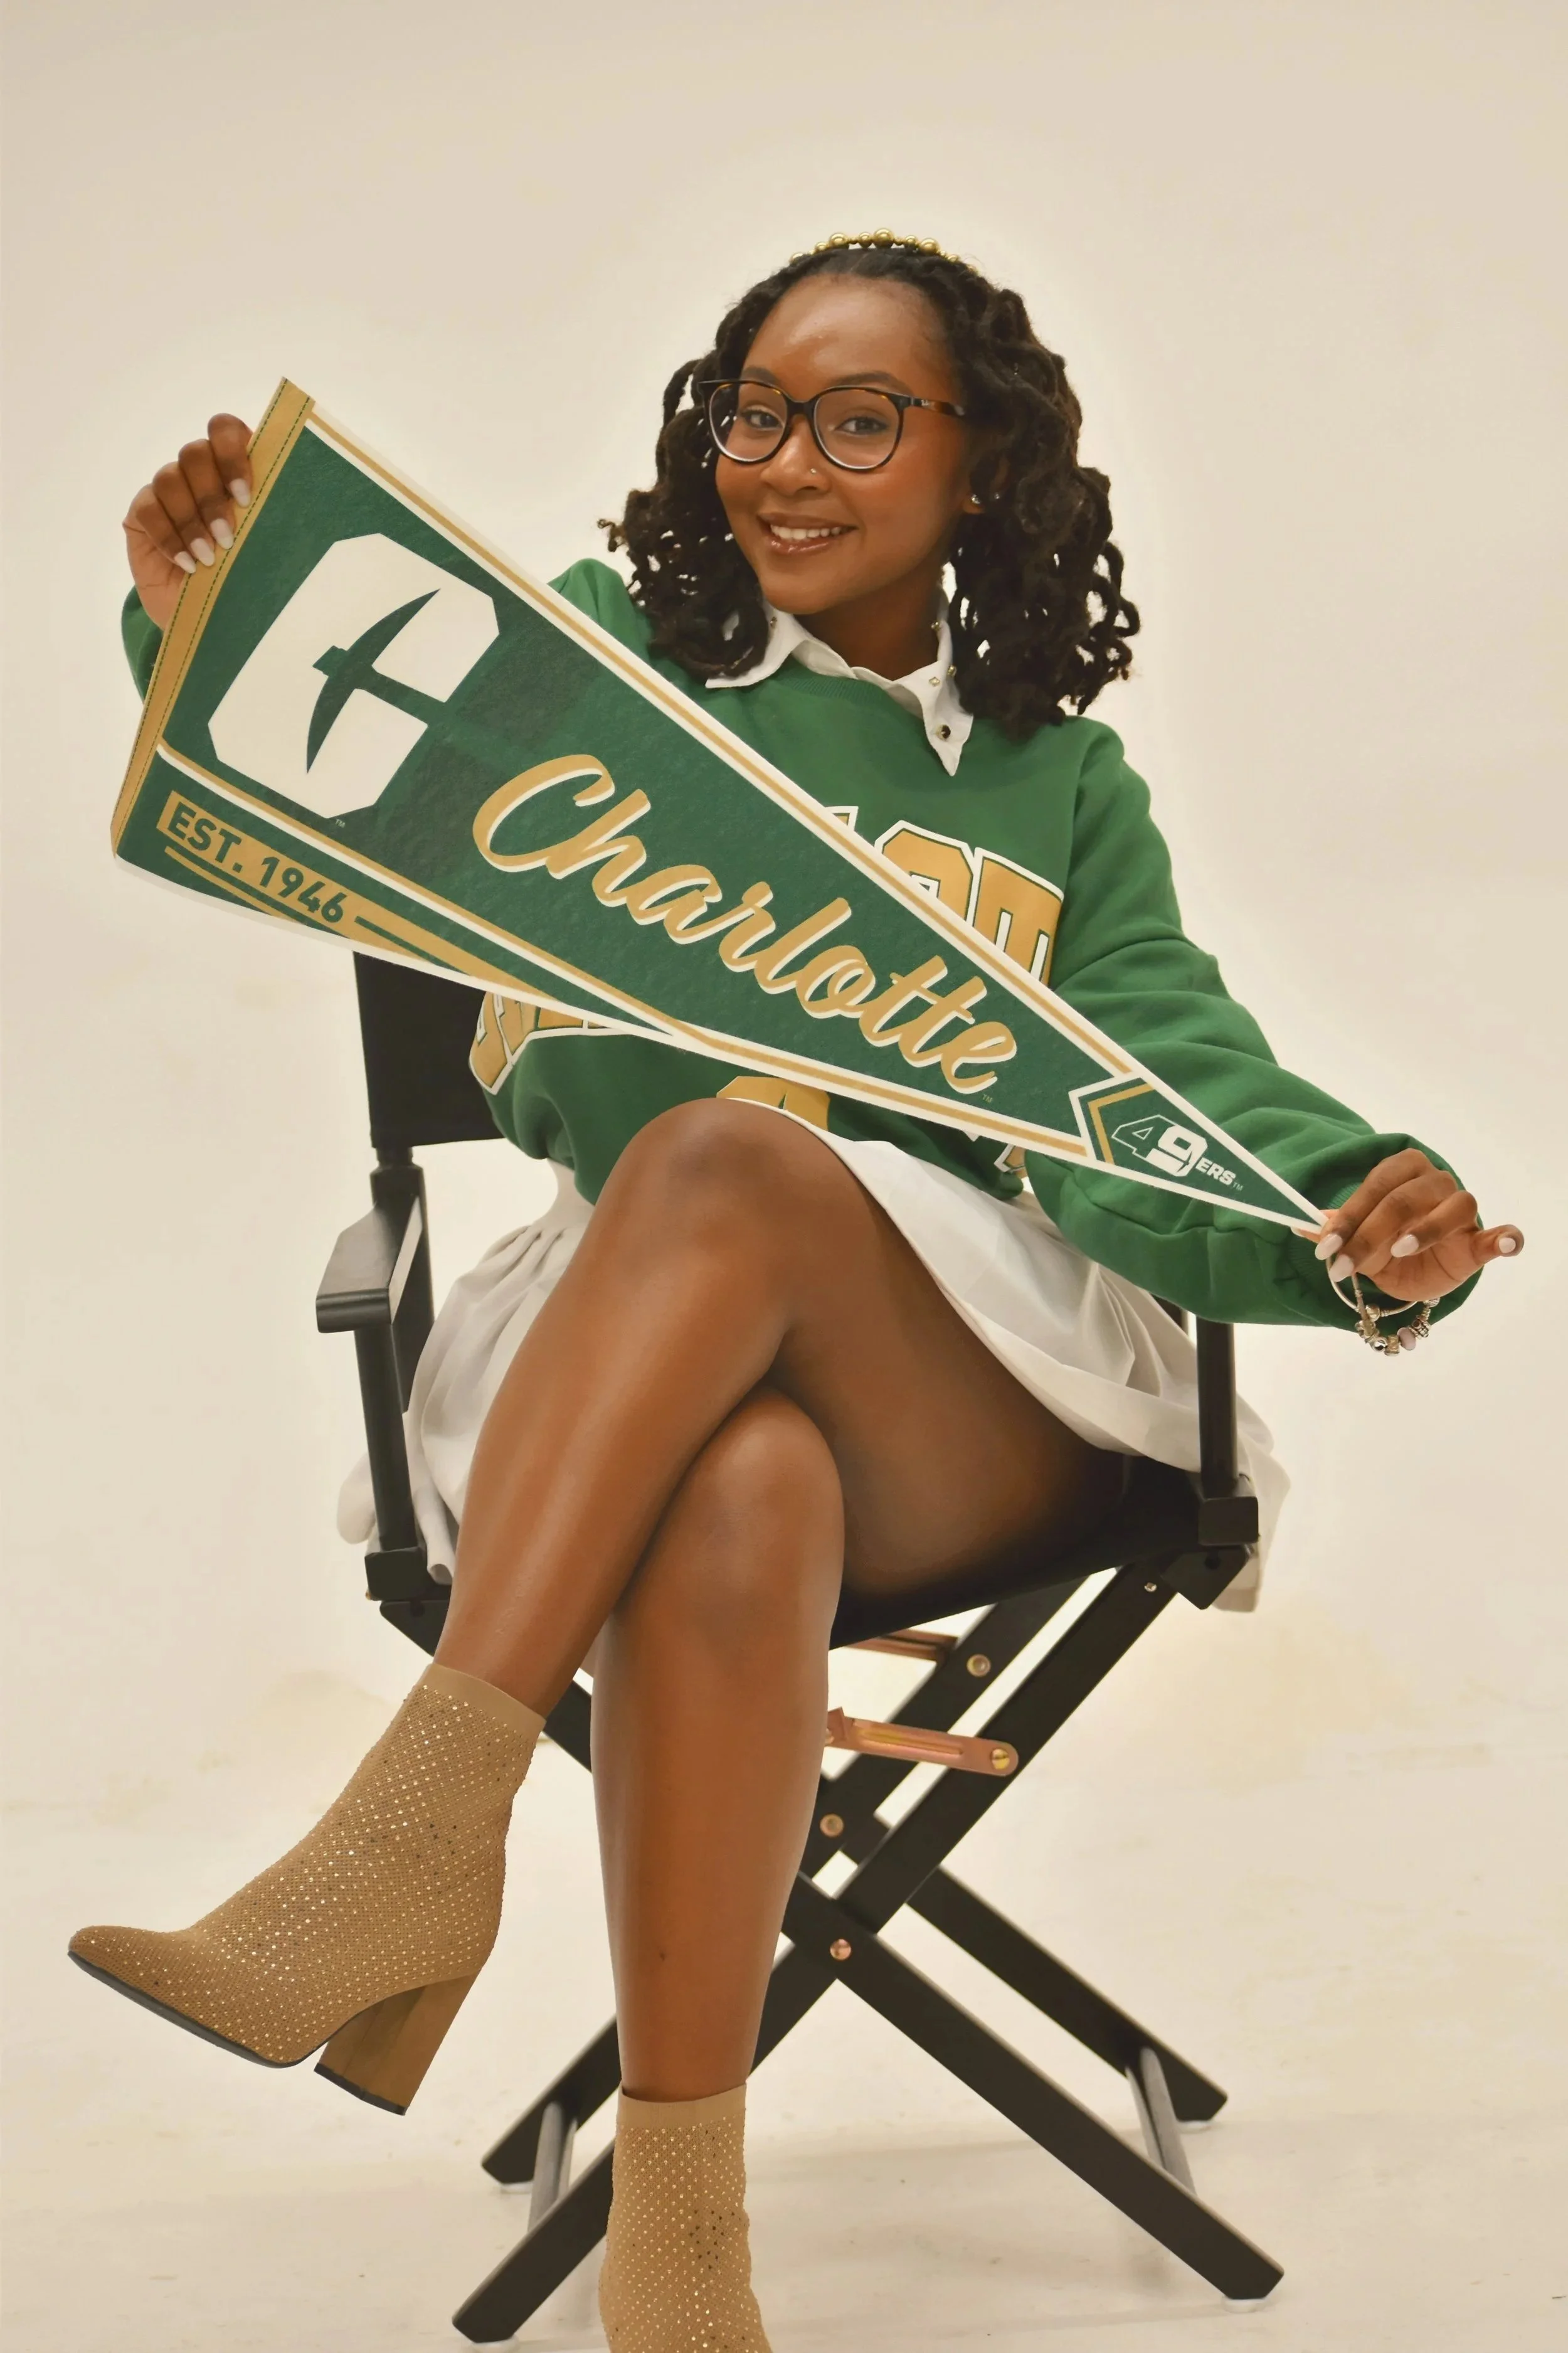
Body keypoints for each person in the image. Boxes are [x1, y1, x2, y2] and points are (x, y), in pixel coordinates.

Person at [72, 233, 1522, 2352]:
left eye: (856, 419)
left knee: (733, 1155)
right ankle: (680, 2249)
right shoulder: (596, 678)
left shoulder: (1050, 784)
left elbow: (1167, 1086)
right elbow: (334, 746)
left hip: (963, 1368)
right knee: (737, 1482)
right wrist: (200, 614)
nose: (783, 461)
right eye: (754, 410)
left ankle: (406, 1841)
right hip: (611, 1352)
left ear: (979, 462)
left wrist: (1350, 1212)